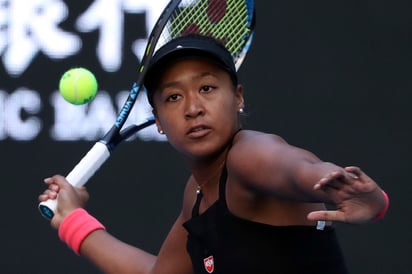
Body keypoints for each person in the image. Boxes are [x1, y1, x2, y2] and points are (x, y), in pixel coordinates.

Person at [39, 34, 389, 274]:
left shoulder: (248, 155)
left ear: (238, 97)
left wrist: (345, 191)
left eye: (207, 88)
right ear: (158, 121)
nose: (193, 108)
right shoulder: (197, 193)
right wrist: (72, 219)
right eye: (174, 97)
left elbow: (296, 168)